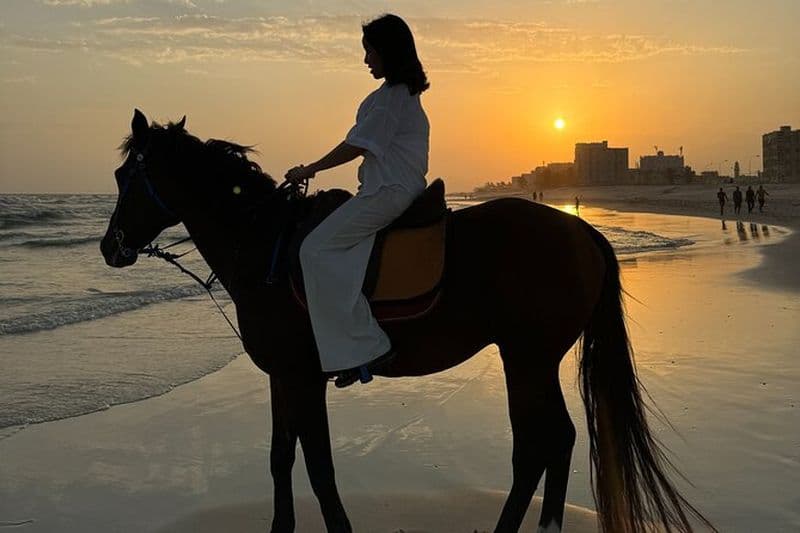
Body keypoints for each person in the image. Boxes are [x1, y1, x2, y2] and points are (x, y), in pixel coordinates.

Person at [285, 14, 430, 388]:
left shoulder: (392, 98)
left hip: (387, 193)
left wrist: (310, 170)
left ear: (387, 52)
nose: (366, 60)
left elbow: (357, 146)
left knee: (313, 250)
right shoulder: (391, 96)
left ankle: (365, 345)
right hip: (389, 190)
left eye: (370, 51)